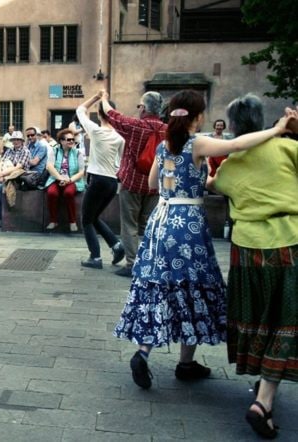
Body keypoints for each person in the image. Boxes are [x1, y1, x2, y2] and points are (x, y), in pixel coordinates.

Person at [114, 89, 292, 393]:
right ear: (197, 116)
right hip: (188, 225)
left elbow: (153, 182)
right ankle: (186, 363)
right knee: (192, 288)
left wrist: (187, 180)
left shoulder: (165, 145)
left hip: (161, 222)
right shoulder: (196, 143)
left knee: (158, 285)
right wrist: (277, 130)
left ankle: (143, 352)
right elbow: (236, 144)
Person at [212, 95, 298, 439]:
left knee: (260, 318)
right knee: (287, 320)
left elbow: (215, 185)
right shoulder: (288, 150)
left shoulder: (231, 163)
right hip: (288, 241)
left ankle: (265, 388)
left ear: (233, 126)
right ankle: (263, 401)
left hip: (246, 249)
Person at [101, 91, 164, 277]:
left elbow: (112, 114)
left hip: (132, 184)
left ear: (143, 108)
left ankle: (132, 264)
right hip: (155, 186)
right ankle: (151, 263)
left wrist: (103, 98)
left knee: (129, 225)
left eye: (139, 106)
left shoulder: (135, 126)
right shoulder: (168, 130)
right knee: (151, 226)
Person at [76, 92, 125, 268]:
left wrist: (97, 96)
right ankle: (117, 246)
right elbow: (122, 160)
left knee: (86, 219)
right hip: (112, 182)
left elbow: (80, 109)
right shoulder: (120, 137)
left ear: (99, 114)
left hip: (97, 179)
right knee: (94, 217)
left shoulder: (95, 131)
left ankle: (95, 257)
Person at [43, 128, 85, 232]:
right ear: (61, 141)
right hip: (56, 179)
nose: (71, 141)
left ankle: (72, 221)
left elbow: (81, 172)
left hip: (72, 180)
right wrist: (60, 178)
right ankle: (53, 220)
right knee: (51, 193)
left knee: (68, 193)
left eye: (73, 139)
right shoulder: (55, 151)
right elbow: (49, 166)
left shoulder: (78, 153)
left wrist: (69, 180)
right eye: (69, 139)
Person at [0, 131, 31, 228]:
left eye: (18, 140)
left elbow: (18, 167)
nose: (16, 142)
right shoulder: (9, 150)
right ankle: (0, 218)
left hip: (18, 179)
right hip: (6, 177)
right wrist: (0, 174)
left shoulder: (25, 151)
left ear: (22, 141)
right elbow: (1, 162)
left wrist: (2, 174)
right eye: (14, 140)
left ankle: (6, 219)